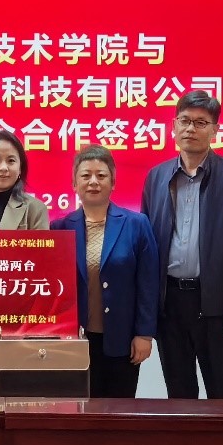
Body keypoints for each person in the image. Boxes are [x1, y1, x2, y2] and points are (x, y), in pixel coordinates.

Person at [141, 90, 223, 399]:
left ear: (215, 130)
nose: (191, 129)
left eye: (201, 123)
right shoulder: (156, 177)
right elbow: (147, 249)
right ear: (174, 126)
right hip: (170, 304)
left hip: (216, 305)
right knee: (179, 396)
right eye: (185, 121)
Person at [53, 145, 158, 399]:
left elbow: (148, 284)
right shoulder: (59, 228)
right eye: (85, 175)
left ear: (113, 183)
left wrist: (144, 334)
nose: (93, 182)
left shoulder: (137, 224)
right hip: (74, 341)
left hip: (123, 340)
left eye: (101, 175)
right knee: (79, 409)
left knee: (119, 411)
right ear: (74, 184)